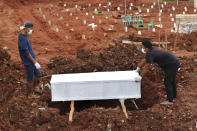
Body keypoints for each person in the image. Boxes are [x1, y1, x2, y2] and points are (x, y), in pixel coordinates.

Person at [136, 39, 180, 105]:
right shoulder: (151, 50)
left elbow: (147, 67)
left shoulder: (151, 53)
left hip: (171, 64)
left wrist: (140, 77)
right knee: (172, 80)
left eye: (143, 47)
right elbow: (145, 60)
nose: (143, 49)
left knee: (167, 81)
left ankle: (169, 100)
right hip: (173, 62)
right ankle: (173, 95)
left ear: (147, 48)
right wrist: (138, 67)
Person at [18, 21, 42, 97]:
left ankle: (34, 88)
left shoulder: (25, 35)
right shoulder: (22, 39)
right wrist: (34, 62)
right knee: (30, 79)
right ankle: (30, 95)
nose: (32, 30)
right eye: (31, 29)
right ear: (27, 28)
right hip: (29, 62)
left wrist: (34, 60)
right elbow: (26, 53)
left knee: (38, 74)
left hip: (32, 60)